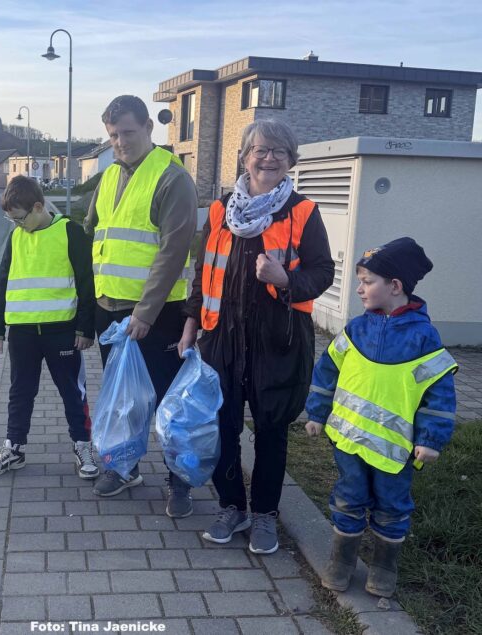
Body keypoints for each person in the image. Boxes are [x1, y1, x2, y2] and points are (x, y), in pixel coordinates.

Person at [179, 119, 334, 553]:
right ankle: (232, 507)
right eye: (260, 150)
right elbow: (202, 273)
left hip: (278, 342)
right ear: (245, 156)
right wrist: (191, 326)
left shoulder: (302, 211)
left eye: (279, 152)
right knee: (223, 426)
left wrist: (285, 279)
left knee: (271, 430)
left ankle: (265, 514)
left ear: (291, 161)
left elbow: (323, 271)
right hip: (221, 340)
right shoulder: (219, 210)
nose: (269, 158)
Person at [305, 237, 457, 598]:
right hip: (350, 442)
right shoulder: (356, 329)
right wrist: (316, 413)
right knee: (347, 498)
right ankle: (342, 561)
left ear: (395, 286)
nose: (359, 288)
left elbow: (439, 395)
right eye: (359, 280)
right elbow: (326, 371)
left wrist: (430, 439)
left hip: (395, 452)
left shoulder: (423, 338)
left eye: (367, 281)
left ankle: (384, 566)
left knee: (392, 507)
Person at [85, 95, 198, 514]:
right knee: (121, 398)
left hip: (158, 314)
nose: (120, 142)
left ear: (150, 128)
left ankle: (179, 480)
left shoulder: (172, 178)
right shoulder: (109, 177)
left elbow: (172, 252)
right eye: (113, 135)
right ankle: (124, 466)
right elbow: (93, 235)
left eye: (128, 133)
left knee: (169, 400)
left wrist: (145, 313)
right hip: (110, 310)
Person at [0, 176, 98, 479]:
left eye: (20, 219)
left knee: (72, 391)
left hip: (62, 331)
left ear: (37, 207)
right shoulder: (16, 237)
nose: (17, 225)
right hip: (22, 332)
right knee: (20, 392)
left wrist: (86, 329)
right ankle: (14, 448)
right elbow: (2, 284)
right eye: (11, 220)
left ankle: (83, 445)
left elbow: (87, 283)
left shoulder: (70, 232)